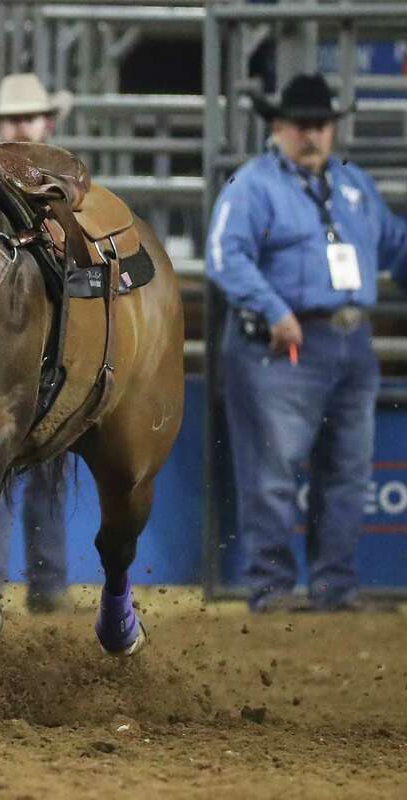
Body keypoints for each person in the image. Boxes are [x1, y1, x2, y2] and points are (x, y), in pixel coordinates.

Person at [206, 73, 407, 612]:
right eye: (303, 126)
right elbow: (225, 256)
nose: (314, 135)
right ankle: (271, 589)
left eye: (321, 125)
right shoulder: (253, 185)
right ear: (278, 127)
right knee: (273, 472)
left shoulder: (353, 185)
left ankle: (334, 588)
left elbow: (395, 246)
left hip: (348, 343)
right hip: (281, 347)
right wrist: (275, 310)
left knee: (347, 471)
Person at [0, 72, 74, 613]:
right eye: (15, 117)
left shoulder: (68, 186)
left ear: (48, 122)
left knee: (45, 472)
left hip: (49, 356)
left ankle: (47, 588)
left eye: (30, 116)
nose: (22, 125)